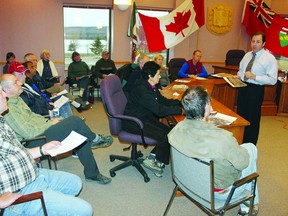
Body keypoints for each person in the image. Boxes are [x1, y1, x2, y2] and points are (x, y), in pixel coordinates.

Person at [0, 73, 113, 185]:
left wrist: (50, 121)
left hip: (41, 131)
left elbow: (34, 118)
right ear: (6, 89)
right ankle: (95, 139)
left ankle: (92, 173)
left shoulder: (17, 99)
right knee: (75, 121)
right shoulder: (8, 110)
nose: (20, 83)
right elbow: (28, 133)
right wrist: (50, 124)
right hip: (32, 141)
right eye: (15, 82)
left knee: (80, 134)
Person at [0, 86, 93, 215]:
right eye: (1, 93)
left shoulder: (1, 120)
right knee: (85, 210)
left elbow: (16, 153)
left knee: (75, 183)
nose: (5, 96)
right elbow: (28, 133)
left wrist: (42, 150)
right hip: (18, 190)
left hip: (34, 173)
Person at [168, 86, 259, 216]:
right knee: (250, 148)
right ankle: (249, 204)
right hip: (219, 192)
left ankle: (250, 203)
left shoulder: (176, 129)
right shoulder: (223, 138)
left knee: (237, 151)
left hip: (188, 182)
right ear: (207, 108)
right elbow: (243, 164)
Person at [122, 61, 183, 177]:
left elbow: (162, 100)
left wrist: (180, 103)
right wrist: (178, 111)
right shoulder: (142, 89)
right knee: (165, 137)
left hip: (144, 117)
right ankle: (156, 162)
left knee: (170, 132)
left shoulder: (150, 86)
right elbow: (159, 110)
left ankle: (152, 158)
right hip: (133, 122)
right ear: (150, 76)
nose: (160, 76)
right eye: (158, 74)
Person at [235, 31, 278, 145]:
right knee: (241, 115)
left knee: (252, 119)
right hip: (243, 87)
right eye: (253, 41)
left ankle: (250, 145)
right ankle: (240, 141)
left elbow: (273, 79)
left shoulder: (269, 58)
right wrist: (238, 75)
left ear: (263, 43)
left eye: (258, 42)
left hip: (255, 90)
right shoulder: (247, 55)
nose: (254, 44)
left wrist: (255, 77)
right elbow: (241, 69)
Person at [24, 54, 88, 112]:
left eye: (36, 60)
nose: (36, 62)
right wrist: (49, 93)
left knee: (59, 87)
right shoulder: (26, 77)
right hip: (42, 92)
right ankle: (77, 105)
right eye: (33, 60)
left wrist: (53, 84)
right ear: (28, 61)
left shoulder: (35, 72)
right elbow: (35, 92)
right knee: (61, 91)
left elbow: (43, 82)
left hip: (43, 89)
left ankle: (76, 104)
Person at [9, 62, 73, 119]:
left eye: (24, 73)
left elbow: (38, 95)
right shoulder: (18, 92)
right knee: (73, 119)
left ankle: (70, 124)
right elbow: (32, 109)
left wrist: (48, 103)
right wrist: (49, 109)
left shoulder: (25, 85)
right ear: (12, 76)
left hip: (46, 105)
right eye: (20, 74)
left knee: (63, 99)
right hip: (45, 115)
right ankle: (69, 124)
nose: (25, 76)